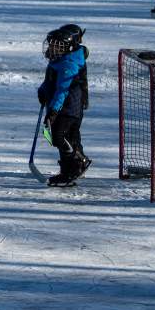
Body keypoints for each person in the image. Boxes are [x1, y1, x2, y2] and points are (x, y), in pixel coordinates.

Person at [37, 24, 92, 187]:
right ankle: (70, 169)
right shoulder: (58, 59)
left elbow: (62, 89)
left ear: (69, 47)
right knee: (69, 137)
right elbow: (50, 80)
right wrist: (43, 90)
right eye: (52, 44)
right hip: (62, 105)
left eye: (57, 45)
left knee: (59, 135)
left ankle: (76, 163)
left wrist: (53, 111)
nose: (53, 48)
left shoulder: (69, 64)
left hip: (69, 107)